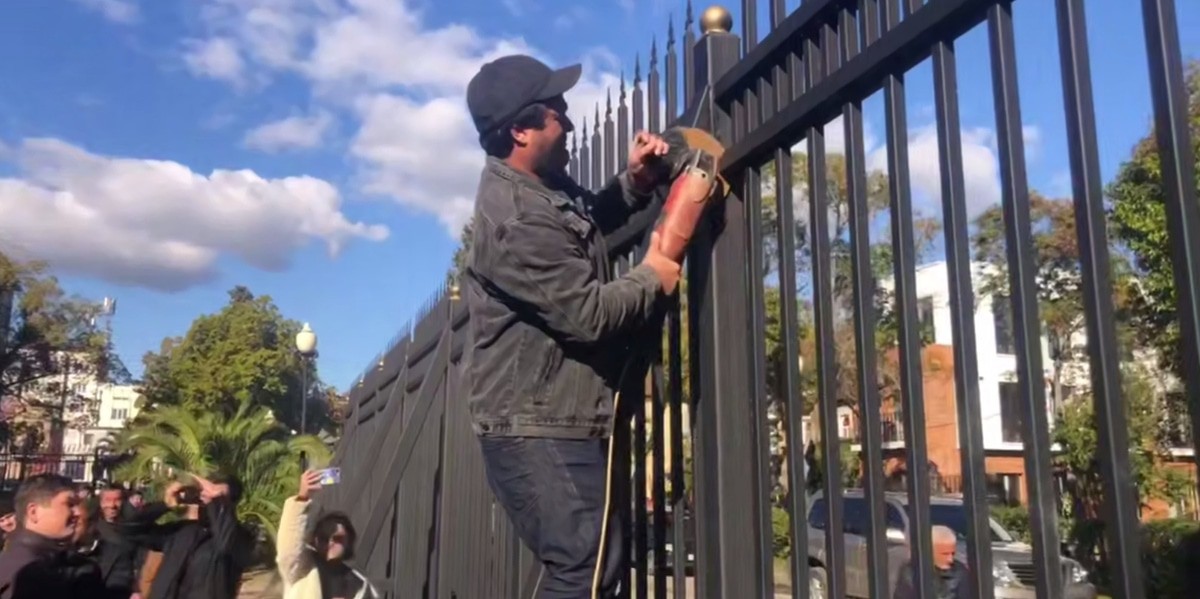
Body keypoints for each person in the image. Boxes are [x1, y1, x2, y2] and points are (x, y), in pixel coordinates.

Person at [463, 54, 684, 598]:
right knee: (584, 570)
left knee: (593, 566)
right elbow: (588, 315)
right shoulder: (514, 217)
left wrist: (635, 182)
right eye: (555, 111)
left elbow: (589, 223)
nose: (567, 119)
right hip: (536, 428)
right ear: (520, 130)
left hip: (554, 419)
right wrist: (653, 274)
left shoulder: (541, 189)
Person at [147, 475, 253, 599]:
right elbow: (133, 532)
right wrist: (164, 505)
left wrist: (215, 498)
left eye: (219, 497)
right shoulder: (183, 531)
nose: (209, 497)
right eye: (205, 493)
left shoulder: (241, 537)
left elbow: (224, 544)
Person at [276, 470, 378, 599]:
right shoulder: (302, 568)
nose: (330, 543)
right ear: (314, 540)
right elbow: (288, 551)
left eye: (338, 538)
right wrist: (302, 498)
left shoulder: (360, 584)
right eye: (323, 538)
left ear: (349, 541)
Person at [0, 473, 104, 598]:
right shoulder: (42, 574)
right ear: (33, 512)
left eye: (78, 504)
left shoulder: (10, 561)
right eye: (70, 504)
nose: (78, 513)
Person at [893, 525, 969, 599]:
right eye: (945, 554)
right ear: (929, 552)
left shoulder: (960, 571)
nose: (950, 559)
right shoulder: (912, 573)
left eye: (952, 553)